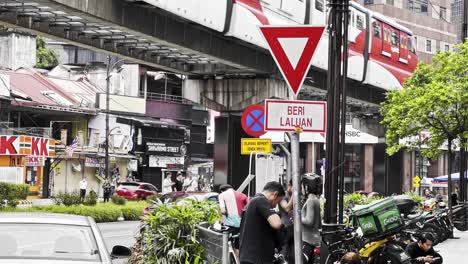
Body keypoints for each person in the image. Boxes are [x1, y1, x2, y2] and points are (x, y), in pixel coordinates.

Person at [239, 181, 285, 264]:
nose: (275, 206)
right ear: (275, 194)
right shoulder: (261, 201)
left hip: (248, 257)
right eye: (277, 202)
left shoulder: (252, 201)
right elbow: (276, 224)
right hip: (257, 258)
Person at [301, 174, 323, 264]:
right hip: (314, 239)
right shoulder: (316, 200)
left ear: (307, 187)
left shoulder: (310, 200)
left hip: (307, 240)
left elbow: (309, 221)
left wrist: (298, 217)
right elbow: (319, 223)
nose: (301, 189)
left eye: (302, 186)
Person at [279, 181, 294, 261]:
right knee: (284, 250)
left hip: (293, 228)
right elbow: (287, 208)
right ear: (289, 185)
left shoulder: (294, 195)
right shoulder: (284, 195)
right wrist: (294, 195)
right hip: (285, 227)